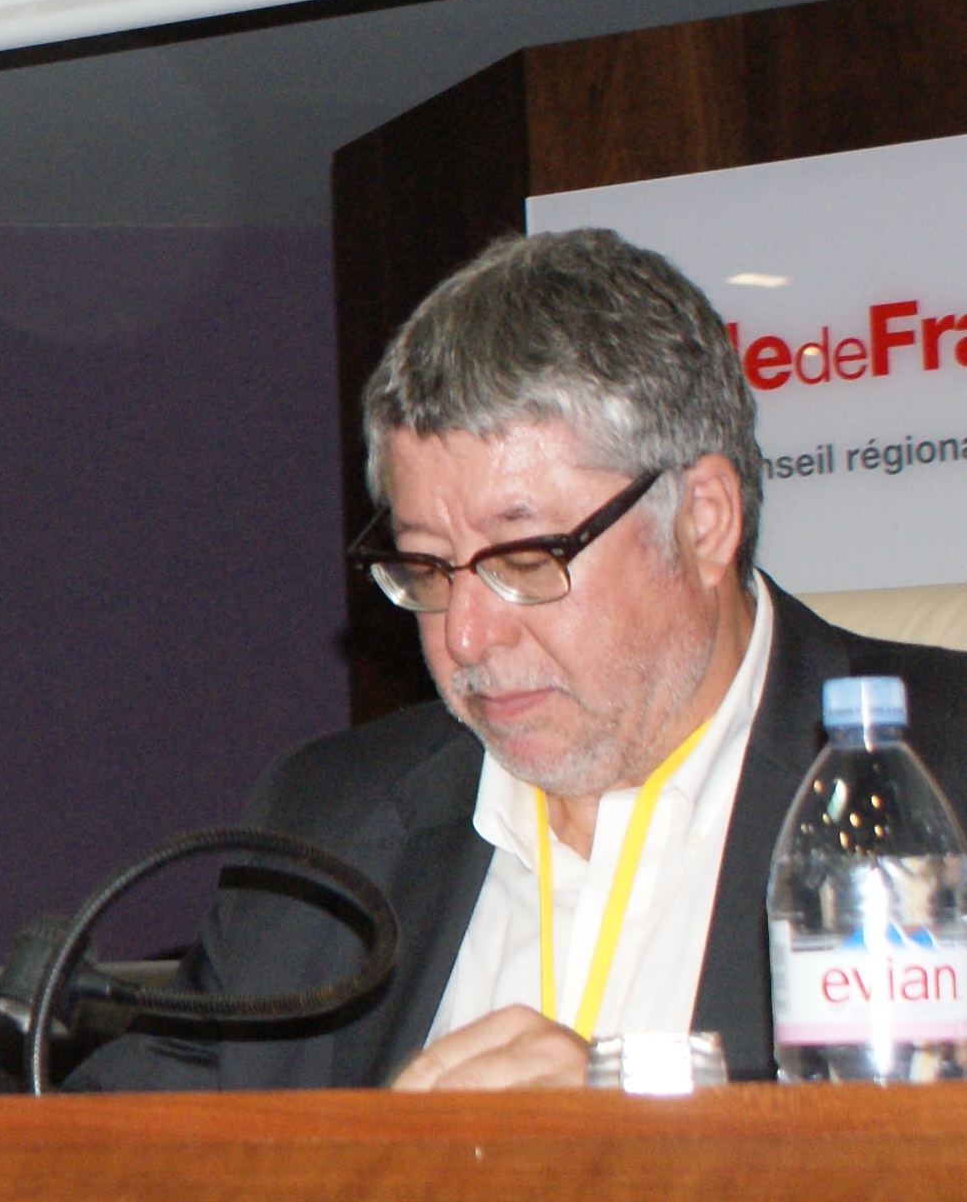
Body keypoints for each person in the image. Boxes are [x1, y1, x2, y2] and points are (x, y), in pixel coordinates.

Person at [76, 227, 967, 1091]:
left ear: (702, 523)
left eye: (523, 561)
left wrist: (650, 1151)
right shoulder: (326, 826)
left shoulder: (947, 781)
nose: (466, 637)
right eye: (426, 566)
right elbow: (107, 1173)